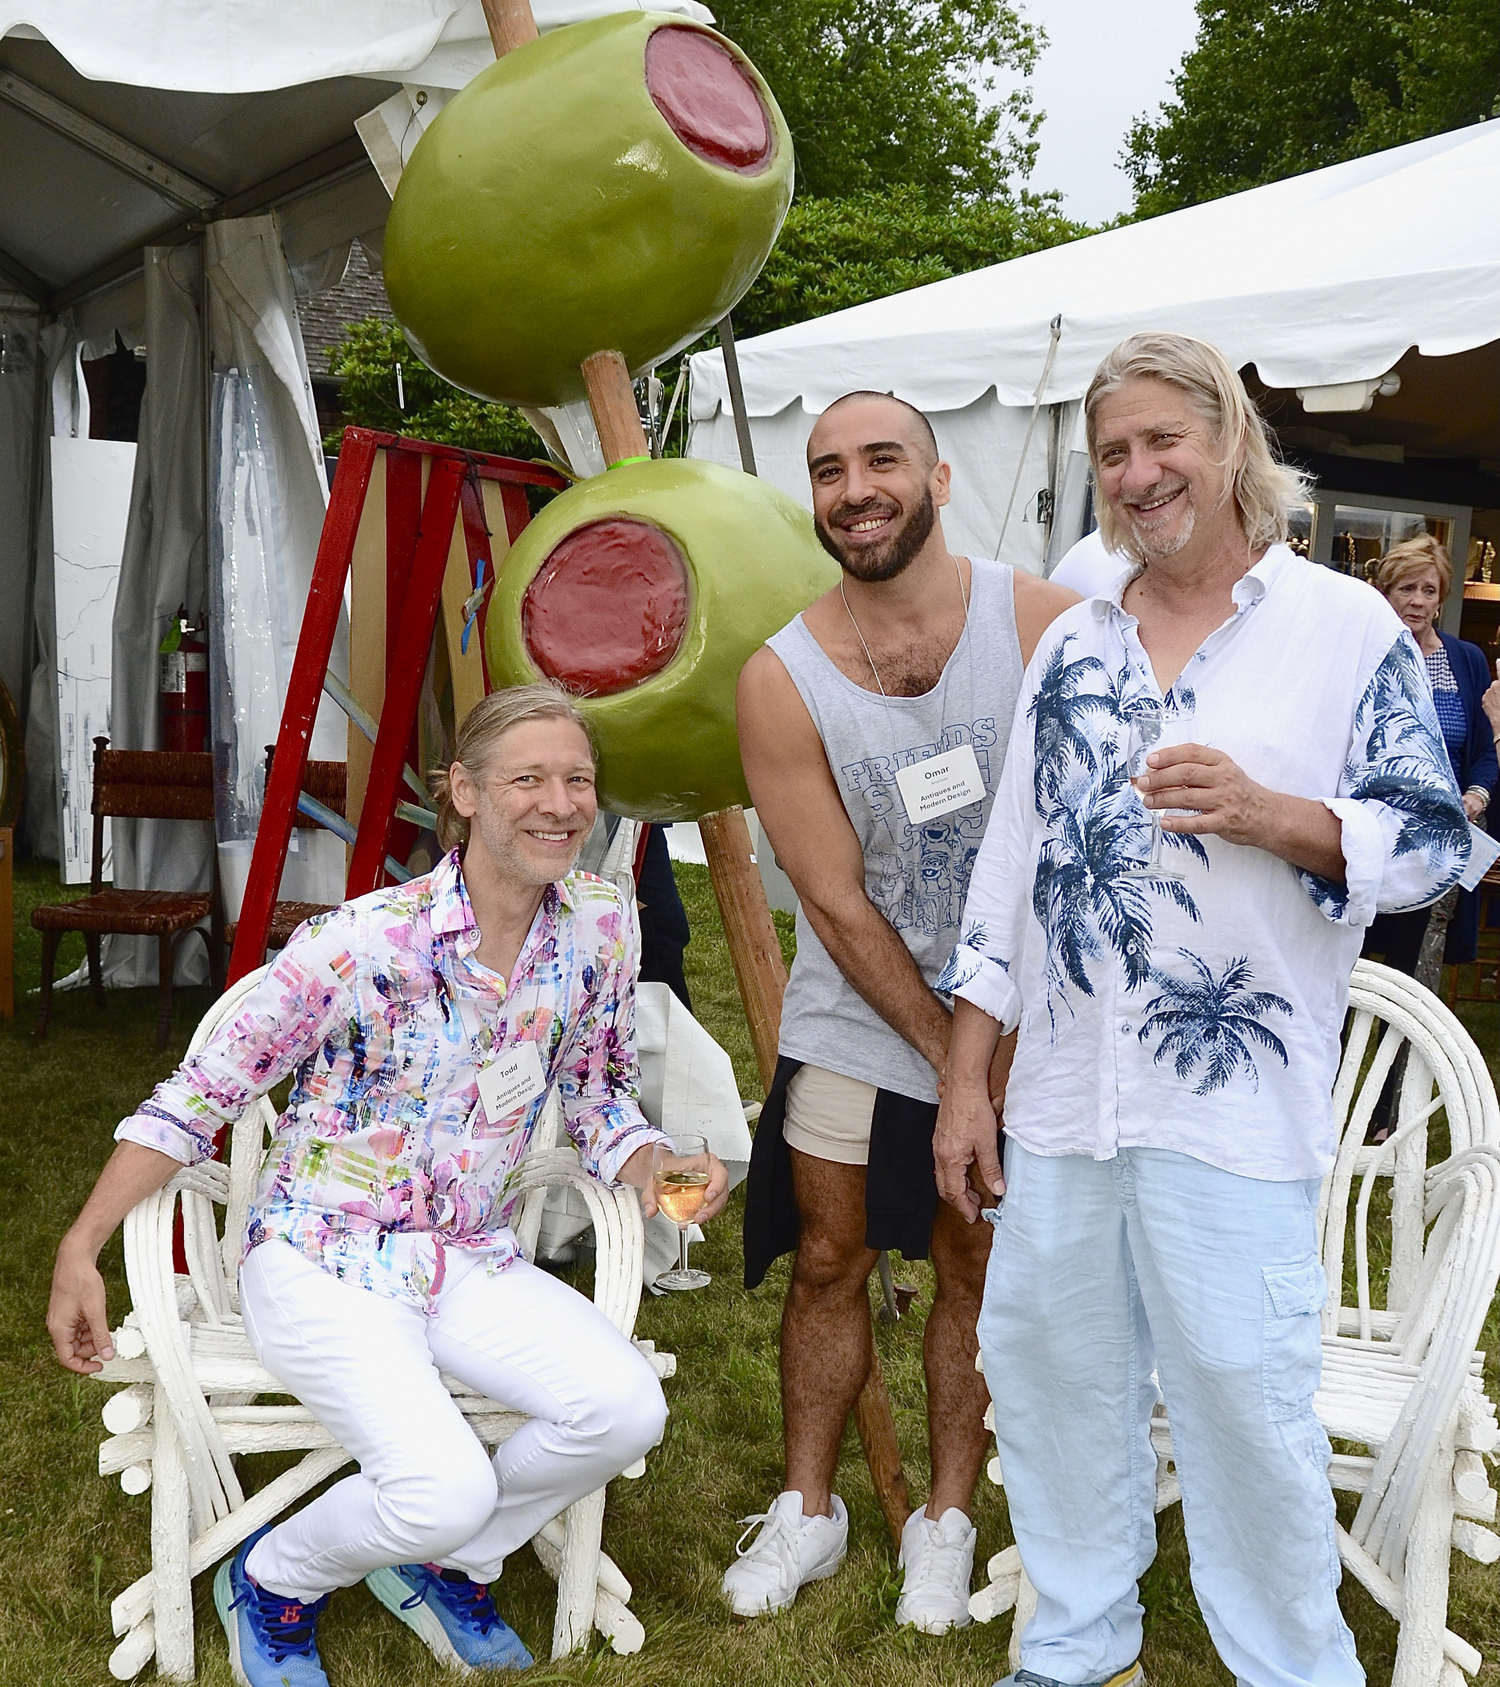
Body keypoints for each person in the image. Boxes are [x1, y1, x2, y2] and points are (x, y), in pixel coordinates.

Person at [934, 333, 1477, 1687]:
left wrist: (1270, 813)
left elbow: (1430, 840)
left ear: (1231, 440)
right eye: (1113, 450)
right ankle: (1075, 1639)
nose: (1137, 470)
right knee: (1051, 1368)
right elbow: (1013, 857)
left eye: (1162, 438)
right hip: (1063, 1091)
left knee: (1243, 1392)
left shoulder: (1343, 627)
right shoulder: (1076, 635)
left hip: (1235, 1103)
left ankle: (1296, 1665)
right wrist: (964, 1074)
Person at [48, 683, 730, 1687]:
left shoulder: (597, 928)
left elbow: (597, 1095)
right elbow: (196, 1097)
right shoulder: (362, 944)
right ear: (463, 792)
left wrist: (661, 1176)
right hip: (322, 1255)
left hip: (467, 1255)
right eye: (528, 778)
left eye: (578, 779)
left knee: (626, 1409)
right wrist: (79, 1247)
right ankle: (274, 1576)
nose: (560, 803)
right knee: (441, 1483)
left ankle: (448, 1557)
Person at [729, 391, 1077, 1629]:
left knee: (971, 1260)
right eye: (828, 471)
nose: (855, 488)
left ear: (938, 474)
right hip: (857, 1018)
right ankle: (808, 1513)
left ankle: (945, 1516)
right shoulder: (780, 677)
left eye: (881, 460)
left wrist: (993, 1057)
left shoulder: (1040, 623)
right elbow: (830, 898)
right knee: (827, 1258)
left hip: (1028, 1016)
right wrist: (952, 1065)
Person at [1361, 533, 1496, 974]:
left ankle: (1405, 1044)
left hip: (1442, 836)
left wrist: (1476, 795)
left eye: (1429, 590)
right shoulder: (1365, 653)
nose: (1417, 601)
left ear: (1441, 600)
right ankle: (1339, 1042)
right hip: (1372, 832)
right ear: (1386, 593)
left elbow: (1483, 748)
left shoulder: (1467, 660)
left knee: (1418, 963)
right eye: (1406, 588)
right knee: (1352, 955)